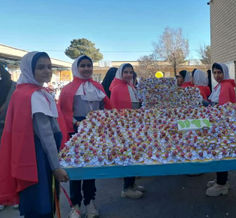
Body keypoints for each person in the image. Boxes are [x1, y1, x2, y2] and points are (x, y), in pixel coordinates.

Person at [0, 51, 69, 217]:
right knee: (42, 203)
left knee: (34, 202)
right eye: (40, 67)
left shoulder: (22, 92)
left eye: (49, 67)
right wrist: (56, 167)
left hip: (27, 155)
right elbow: (46, 136)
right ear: (28, 70)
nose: (47, 71)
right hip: (38, 157)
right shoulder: (33, 95)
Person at [59, 55, 110, 218]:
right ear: (76, 68)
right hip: (76, 130)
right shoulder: (67, 89)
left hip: (95, 129)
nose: (87, 69)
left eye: (89, 65)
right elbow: (63, 112)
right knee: (76, 169)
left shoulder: (98, 87)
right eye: (83, 66)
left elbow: (106, 107)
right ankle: (75, 205)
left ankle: (90, 202)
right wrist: (76, 123)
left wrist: (101, 120)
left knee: (91, 168)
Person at [109, 63, 145, 199]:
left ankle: (132, 184)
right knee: (128, 156)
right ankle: (127, 188)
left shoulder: (131, 86)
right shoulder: (116, 89)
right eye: (126, 72)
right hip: (124, 128)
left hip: (134, 126)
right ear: (120, 73)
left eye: (131, 72)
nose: (129, 75)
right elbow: (114, 110)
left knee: (134, 155)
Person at [206, 63, 236, 197]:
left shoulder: (226, 86)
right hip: (216, 124)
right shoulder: (219, 86)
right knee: (218, 152)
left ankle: (222, 184)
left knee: (221, 152)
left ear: (225, 72)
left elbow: (224, 109)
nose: (217, 75)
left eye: (219, 72)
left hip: (222, 126)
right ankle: (220, 180)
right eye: (215, 73)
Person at [0, 65, 18, 212]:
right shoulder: (14, 86)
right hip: (10, 129)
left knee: (11, 162)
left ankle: (12, 194)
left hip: (11, 129)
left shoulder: (14, 87)